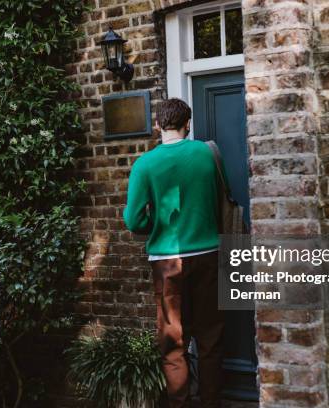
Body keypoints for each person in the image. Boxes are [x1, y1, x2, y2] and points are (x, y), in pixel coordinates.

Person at [123, 98, 225, 408]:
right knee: (210, 336)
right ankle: (210, 402)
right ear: (188, 124)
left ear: (158, 126)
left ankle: (179, 403)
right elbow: (220, 199)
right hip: (209, 253)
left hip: (167, 262)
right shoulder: (207, 154)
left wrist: (157, 222)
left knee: (173, 341)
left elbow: (133, 221)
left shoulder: (145, 164)